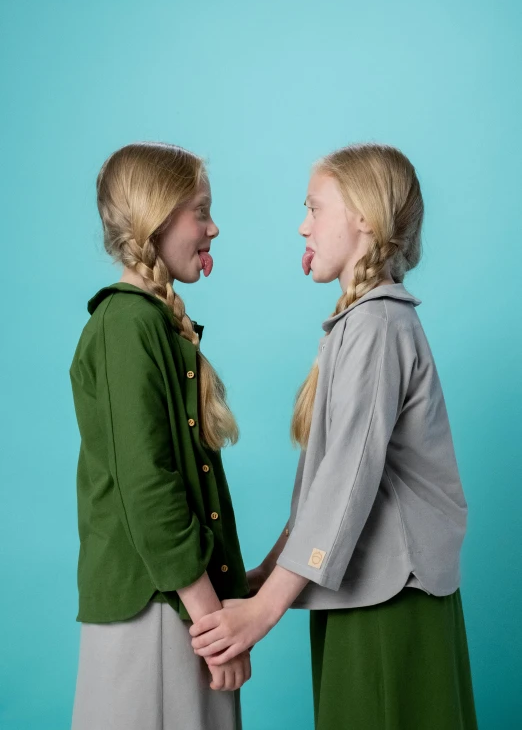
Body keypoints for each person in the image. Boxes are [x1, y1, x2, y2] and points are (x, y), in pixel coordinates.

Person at [189, 143, 478, 729]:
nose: (303, 225)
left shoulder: (377, 324)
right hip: (360, 589)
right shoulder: (363, 323)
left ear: (364, 217)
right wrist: (266, 578)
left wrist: (264, 612)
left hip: (391, 596)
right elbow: (323, 486)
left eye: (314, 208)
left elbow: (346, 484)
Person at [69, 142, 250, 730]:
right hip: (156, 608)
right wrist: (209, 621)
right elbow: (149, 488)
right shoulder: (126, 324)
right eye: (201, 210)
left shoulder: (149, 321)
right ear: (158, 216)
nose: (213, 227)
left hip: (176, 605)